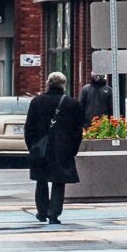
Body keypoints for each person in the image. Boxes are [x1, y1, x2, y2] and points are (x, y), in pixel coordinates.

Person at [25, 71, 87, 224]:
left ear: (48, 83)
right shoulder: (71, 104)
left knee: (41, 180)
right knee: (59, 182)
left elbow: (29, 128)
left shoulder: (36, 102)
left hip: (41, 148)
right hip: (63, 149)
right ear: (63, 85)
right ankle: (54, 214)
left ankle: (42, 211)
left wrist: (32, 146)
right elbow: (77, 130)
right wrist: (73, 148)